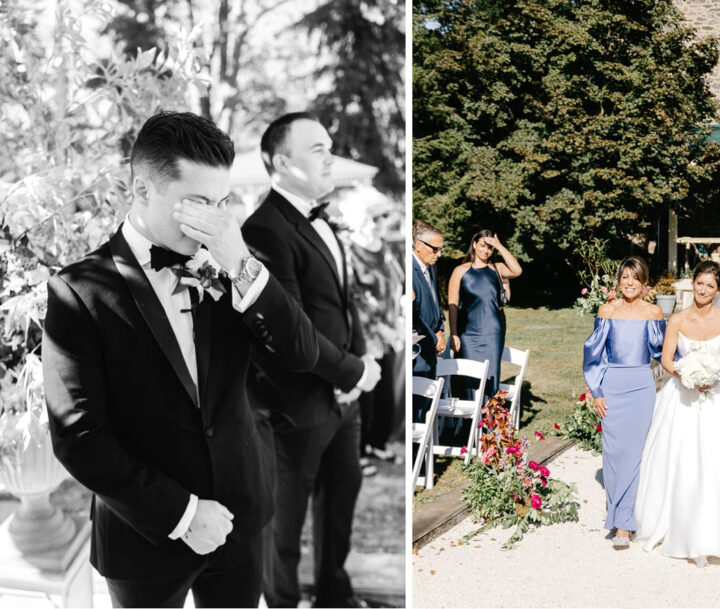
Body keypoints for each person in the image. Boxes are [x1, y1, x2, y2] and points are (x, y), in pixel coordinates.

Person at [42, 111, 320, 607]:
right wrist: (184, 514)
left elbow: (301, 354)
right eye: (196, 203)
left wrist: (240, 265)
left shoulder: (231, 264)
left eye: (222, 203)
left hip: (241, 518)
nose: (211, 219)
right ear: (142, 190)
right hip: (144, 533)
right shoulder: (79, 290)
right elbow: (79, 437)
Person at [242, 112, 381, 608]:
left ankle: (334, 597)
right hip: (292, 406)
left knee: (338, 506)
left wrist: (360, 366)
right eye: (317, 149)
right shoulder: (262, 230)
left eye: (329, 146)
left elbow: (342, 304)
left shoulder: (321, 219)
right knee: (283, 525)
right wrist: (353, 371)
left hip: (343, 399)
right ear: (282, 162)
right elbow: (289, 327)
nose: (330, 156)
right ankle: (279, 602)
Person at [635, 261, 720, 565]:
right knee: (683, 458)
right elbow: (667, 360)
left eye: (710, 286)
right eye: (699, 283)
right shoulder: (677, 320)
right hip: (684, 395)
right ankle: (680, 525)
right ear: (692, 283)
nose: (703, 290)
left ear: (718, 290)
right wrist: (686, 376)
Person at [582, 256, 665, 549]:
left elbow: (665, 350)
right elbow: (594, 355)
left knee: (633, 452)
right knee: (613, 453)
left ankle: (623, 523)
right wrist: (597, 392)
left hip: (641, 385)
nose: (629, 283)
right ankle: (616, 509)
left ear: (644, 284)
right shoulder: (607, 310)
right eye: (625, 277)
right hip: (611, 386)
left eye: (636, 278)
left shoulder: (653, 312)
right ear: (618, 281)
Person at [447, 229, 522, 397]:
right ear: (474, 245)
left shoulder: (497, 268)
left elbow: (517, 271)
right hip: (467, 334)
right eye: (482, 246)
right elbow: (452, 305)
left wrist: (500, 246)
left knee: (491, 376)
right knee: (467, 377)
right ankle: (467, 421)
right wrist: (454, 333)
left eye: (490, 248)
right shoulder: (460, 271)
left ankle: (488, 422)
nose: (486, 251)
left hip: (493, 333)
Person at [411, 220, 445, 421]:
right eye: (435, 249)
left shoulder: (430, 267)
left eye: (441, 249)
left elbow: (434, 301)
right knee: (415, 409)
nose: (439, 254)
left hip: (431, 346)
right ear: (418, 245)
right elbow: (415, 314)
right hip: (418, 349)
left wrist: (440, 328)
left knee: (424, 407)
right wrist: (432, 337)